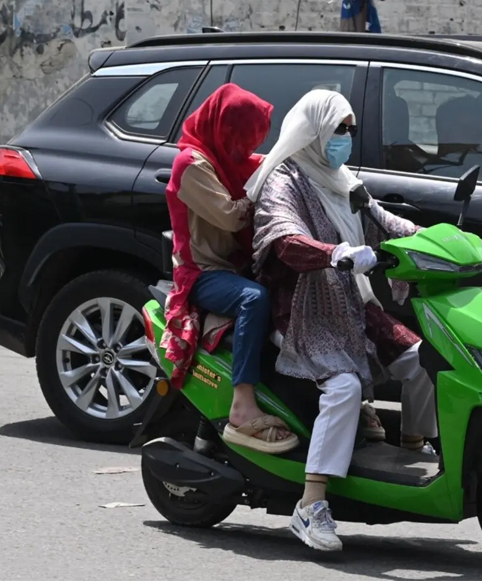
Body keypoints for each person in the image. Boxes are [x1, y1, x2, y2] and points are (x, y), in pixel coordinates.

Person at [246, 88, 441, 552]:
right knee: (344, 388)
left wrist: (441, 242)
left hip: (352, 303)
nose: (346, 139)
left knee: (426, 360)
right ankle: (310, 506)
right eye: (339, 130)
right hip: (302, 309)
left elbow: (385, 222)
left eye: (350, 131)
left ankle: (411, 452)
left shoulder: (343, 180)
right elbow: (284, 238)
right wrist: (335, 253)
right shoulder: (284, 180)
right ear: (315, 131)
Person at [162, 83, 299, 455]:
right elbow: (229, 217)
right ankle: (242, 404)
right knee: (254, 299)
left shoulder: (227, 160)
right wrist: (261, 196)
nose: (246, 149)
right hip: (202, 273)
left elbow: (262, 167)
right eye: (240, 138)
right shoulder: (192, 164)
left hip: (235, 265)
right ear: (223, 129)